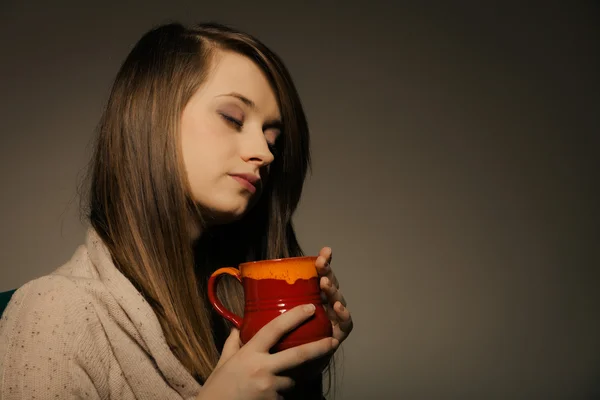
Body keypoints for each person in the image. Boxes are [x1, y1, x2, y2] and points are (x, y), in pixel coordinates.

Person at [0, 22, 353, 399]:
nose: (265, 154)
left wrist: (300, 365)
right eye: (233, 119)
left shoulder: (228, 309)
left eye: (271, 139)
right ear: (155, 117)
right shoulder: (55, 313)